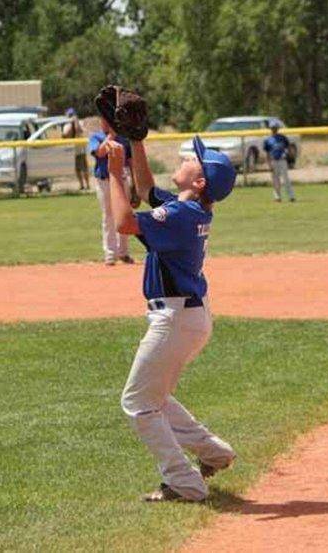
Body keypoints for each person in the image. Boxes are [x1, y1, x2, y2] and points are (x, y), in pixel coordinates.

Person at [103, 131, 238, 503]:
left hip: (176, 318)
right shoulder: (189, 208)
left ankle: (184, 482)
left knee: (138, 403)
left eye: (193, 159)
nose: (185, 158)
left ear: (200, 182)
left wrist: (116, 172)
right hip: (188, 315)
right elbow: (147, 189)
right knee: (155, 395)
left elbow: (125, 224)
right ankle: (213, 452)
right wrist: (136, 142)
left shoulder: (179, 215)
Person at [89, 119, 134, 265]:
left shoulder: (124, 138)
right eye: (103, 120)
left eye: (108, 121)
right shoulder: (96, 137)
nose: (105, 123)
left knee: (125, 216)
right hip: (104, 181)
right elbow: (100, 152)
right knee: (108, 216)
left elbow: (130, 161)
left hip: (122, 180)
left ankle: (124, 252)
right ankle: (110, 254)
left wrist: (134, 184)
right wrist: (111, 136)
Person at [263, 122, 296, 202]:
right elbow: (267, 153)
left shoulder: (283, 138)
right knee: (275, 180)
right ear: (270, 129)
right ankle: (277, 197)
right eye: (272, 128)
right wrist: (269, 164)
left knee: (286, 179)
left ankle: (291, 196)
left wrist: (291, 160)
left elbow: (289, 148)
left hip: (282, 160)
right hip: (273, 160)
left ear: (277, 128)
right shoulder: (268, 140)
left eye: (275, 128)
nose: (274, 129)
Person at [63, 108, 89, 191]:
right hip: (72, 150)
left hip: (80, 149)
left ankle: (86, 185)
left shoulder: (79, 123)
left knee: (83, 168)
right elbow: (66, 135)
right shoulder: (67, 125)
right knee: (78, 169)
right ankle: (82, 185)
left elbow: (80, 131)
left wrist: (75, 122)